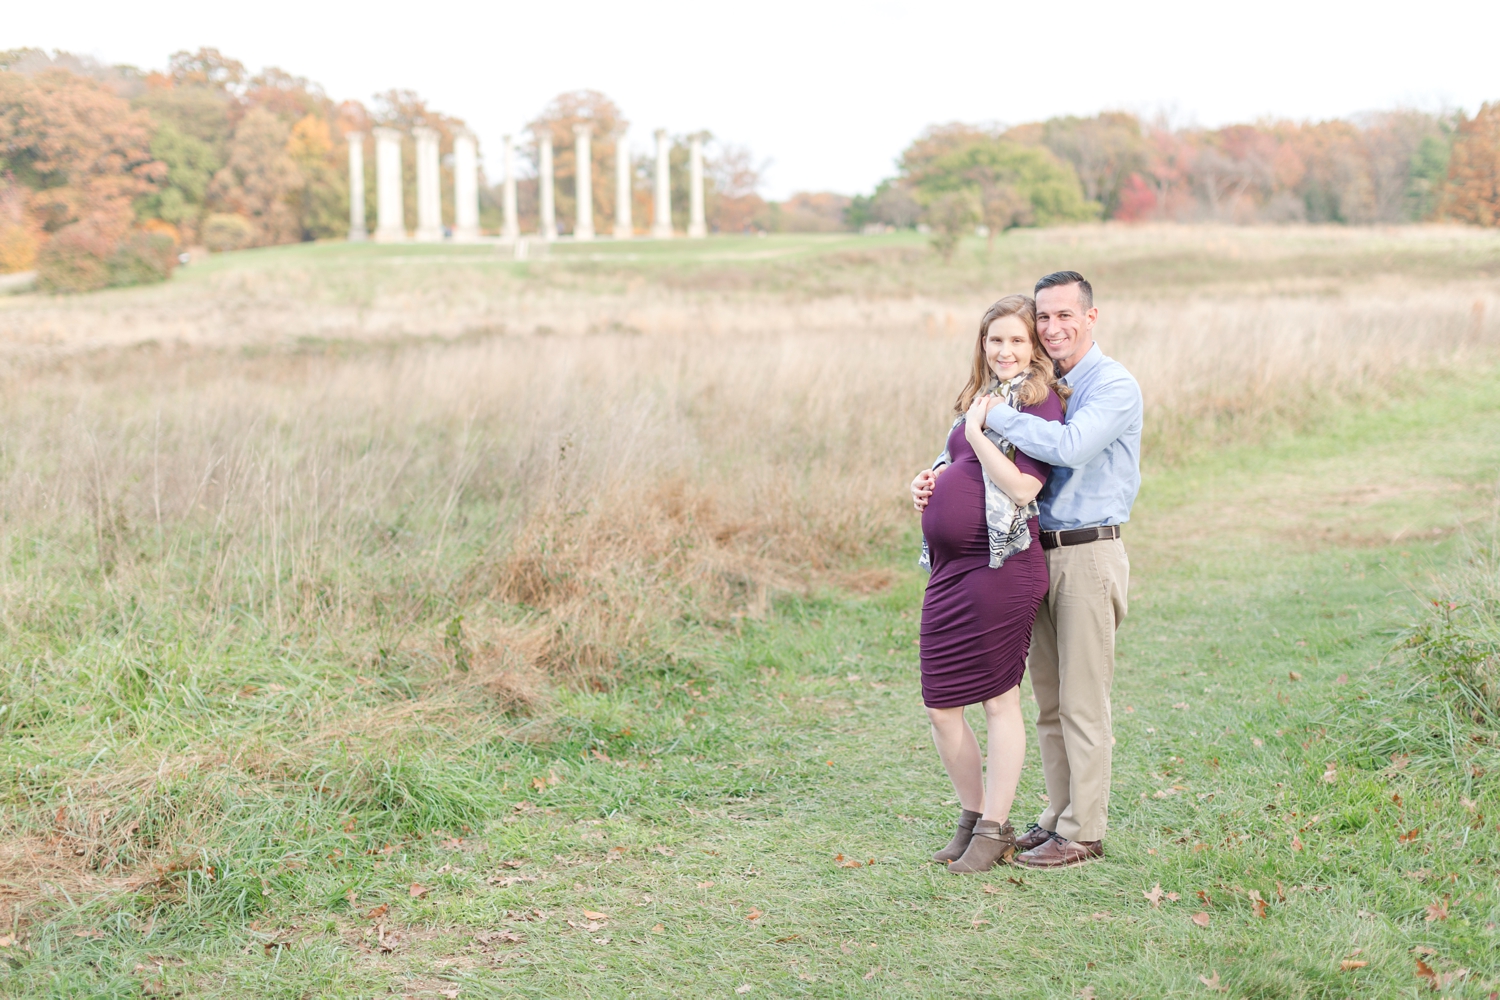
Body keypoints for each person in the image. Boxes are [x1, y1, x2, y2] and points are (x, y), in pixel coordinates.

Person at [979, 270, 1142, 869]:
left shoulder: (1113, 385)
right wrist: (937, 478)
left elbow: (1070, 447)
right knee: (1047, 700)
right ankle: (1056, 817)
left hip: (1088, 553)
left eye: (1064, 316)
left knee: (1082, 702)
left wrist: (994, 418)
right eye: (1042, 317)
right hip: (1037, 552)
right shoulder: (1040, 388)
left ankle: (1086, 830)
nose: (1051, 328)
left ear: (1091, 317)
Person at [908, 294, 1067, 873]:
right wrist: (929, 481)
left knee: (999, 701)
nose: (1004, 350)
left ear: (1035, 348)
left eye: (1017, 340)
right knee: (941, 706)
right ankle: (971, 818)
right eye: (994, 339)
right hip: (951, 571)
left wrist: (975, 439)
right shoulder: (980, 400)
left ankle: (995, 829)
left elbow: (1025, 489)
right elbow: (961, 468)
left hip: (1002, 566)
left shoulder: (1038, 403)